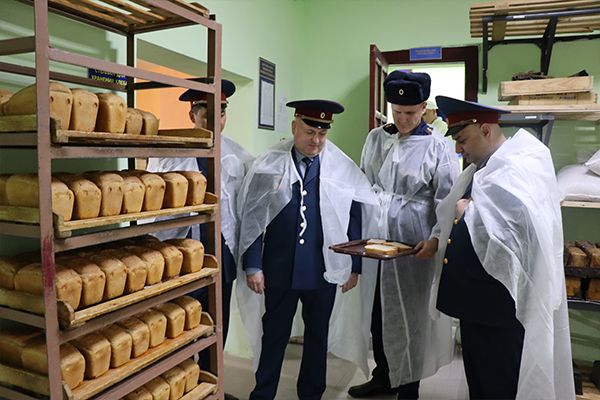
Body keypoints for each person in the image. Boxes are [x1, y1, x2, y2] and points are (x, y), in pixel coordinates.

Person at [415, 95, 575, 400]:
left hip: (500, 308)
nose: (458, 149)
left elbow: (521, 229)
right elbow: (455, 213)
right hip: (476, 304)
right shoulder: (483, 167)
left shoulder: (517, 166)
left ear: (486, 130)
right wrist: (439, 237)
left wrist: (470, 212)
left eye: (462, 140)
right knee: (480, 381)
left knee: (499, 383)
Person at [236, 99, 377, 400]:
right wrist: (253, 264)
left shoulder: (340, 167)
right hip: (279, 267)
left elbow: (354, 216)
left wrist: (354, 265)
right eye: (310, 132)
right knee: (274, 334)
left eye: (322, 134)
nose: (316, 141)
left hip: (323, 268)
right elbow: (253, 216)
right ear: (294, 127)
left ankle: (311, 394)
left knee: (317, 335)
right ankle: (263, 394)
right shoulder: (269, 165)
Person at [350, 71, 458, 399]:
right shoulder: (376, 138)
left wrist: (436, 238)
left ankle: (410, 386)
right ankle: (383, 376)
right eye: (397, 112)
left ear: (424, 108)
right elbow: (363, 184)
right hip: (376, 240)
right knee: (378, 312)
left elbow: (446, 200)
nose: (403, 119)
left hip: (415, 244)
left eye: (410, 113)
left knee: (411, 316)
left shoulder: (437, 146)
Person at [147, 78, 253, 400]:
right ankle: (183, 388)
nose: (215, 121)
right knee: (180, 327)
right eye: (207, 114)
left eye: (221, 113)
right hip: (181, 258)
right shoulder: (169, 154)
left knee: (217, 325)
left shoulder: (239, 156)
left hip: (222, 253)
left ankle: (213, 387)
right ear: (192, 115)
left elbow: (244, 211)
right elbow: (152, 210)